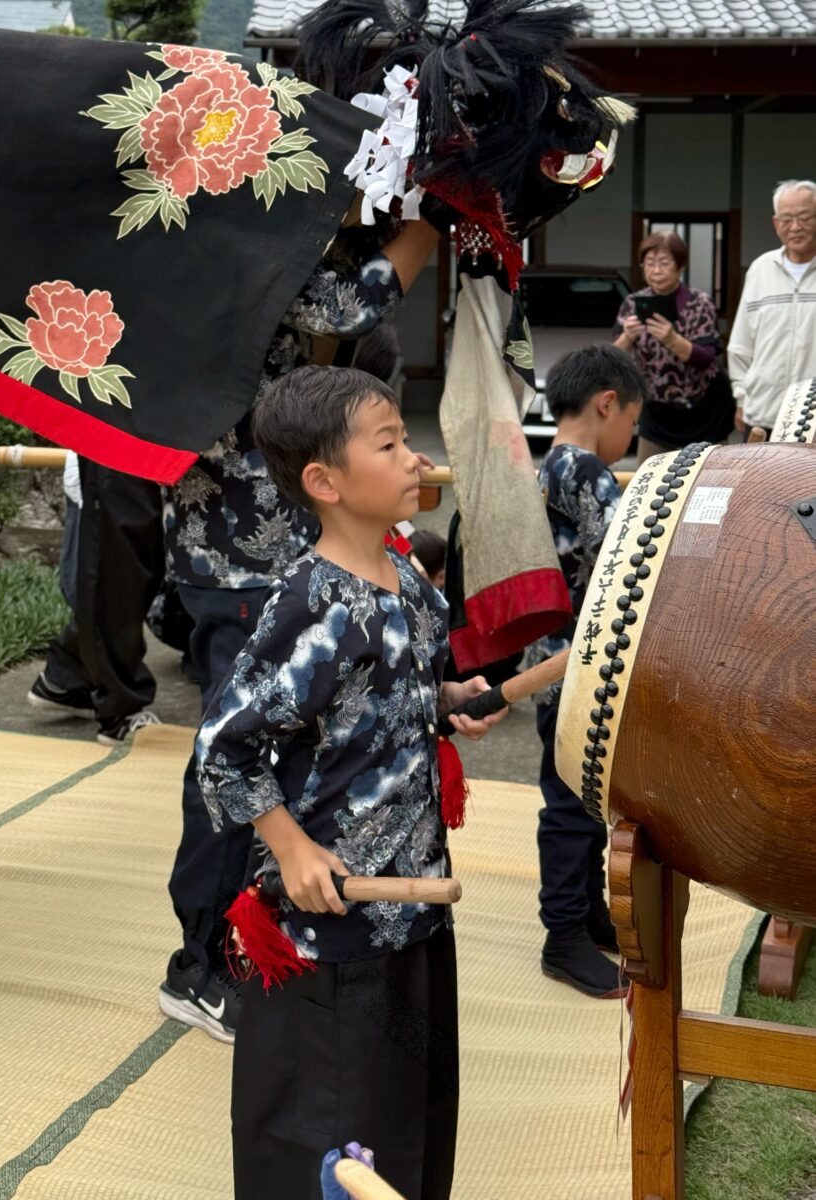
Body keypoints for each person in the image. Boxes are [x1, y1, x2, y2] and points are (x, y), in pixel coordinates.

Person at [196, 365, 506, 1200]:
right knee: (329, 1144)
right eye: (391, 443)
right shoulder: (311, 605)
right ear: (324, 482)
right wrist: (288, 846)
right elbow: (224, 748)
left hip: (407, 909)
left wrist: (446, 702)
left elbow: (375, 698)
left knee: (406, 1121)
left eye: (408, 439)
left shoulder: (408, 580)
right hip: (329, 930)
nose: (415, 459)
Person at [157, 217, 443, 1045]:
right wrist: (430, 209)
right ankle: (207, 964)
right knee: (238, 757)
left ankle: (243, 949)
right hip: (249, 554)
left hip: (238, 547)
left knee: (284, 754)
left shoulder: (195, 243)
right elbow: (350, 302)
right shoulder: (223, 250)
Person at [523, 345, 647, 998]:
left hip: (557, 659)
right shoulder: (588, 473)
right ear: (607, 405)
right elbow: (626, 564)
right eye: (633, 418)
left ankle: (585, 912)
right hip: (574, 666)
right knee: (573, 802)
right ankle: (562, 933)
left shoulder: (552, 464)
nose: (631, 435)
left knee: (585, 794)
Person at [27, 457, 164, 745]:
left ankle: (68, 675)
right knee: (119, 566)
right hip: (118, 440)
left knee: (141, 563)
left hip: (142, 438)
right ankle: (117, 709)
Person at [613, 230, 733, 464]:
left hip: (704, 411)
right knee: (650, 477)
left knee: (710, 480)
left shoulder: (699, 303)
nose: (656, 271)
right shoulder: (633, 304)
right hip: (657, 411)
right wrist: (628, 336)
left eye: (664, 263)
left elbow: (707, 358)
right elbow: (614, 356)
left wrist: (672, 339)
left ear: (680, 267)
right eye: (650, 263)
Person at [729, 179, 816, 439]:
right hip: (762, 416)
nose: (796, 227)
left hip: (813, 420)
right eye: (787, 219)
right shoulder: (760, 269)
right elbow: (740, 344)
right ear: (776, 224)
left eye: (805, 217)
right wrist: (742, 397)